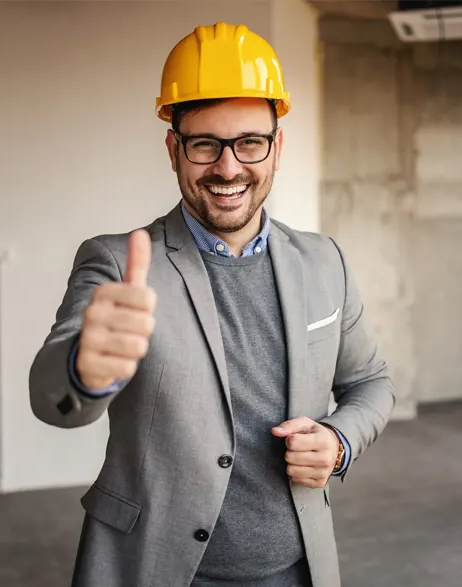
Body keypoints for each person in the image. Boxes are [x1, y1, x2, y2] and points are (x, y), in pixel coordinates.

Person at [29, 22, 395, 587]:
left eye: (250, 142)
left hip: (297, 569)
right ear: (174, 148)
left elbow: (371, 381)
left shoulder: (325, 262)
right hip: (156, 567)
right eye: (204, 144)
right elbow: (52, 400)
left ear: (277, 146)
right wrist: (84, 367)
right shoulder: (118, 262)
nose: (228, 168)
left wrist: (340, 440)